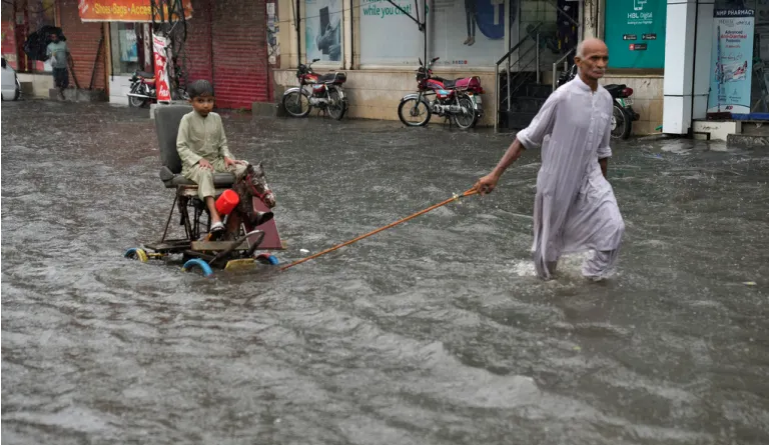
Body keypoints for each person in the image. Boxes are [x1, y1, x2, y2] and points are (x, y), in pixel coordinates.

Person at [473, 38, 625, 281]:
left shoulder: (606, 99)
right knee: (549, 244)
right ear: (578, 62)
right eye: (594, 58)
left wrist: (603, 189)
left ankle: (592, 281)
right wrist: (495, 174)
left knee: (613, 227)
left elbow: (603, 150)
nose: (601, 64)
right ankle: (547, 288)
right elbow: (526, 138)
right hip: (557, 177)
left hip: (591, 175)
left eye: (604, 58)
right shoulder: (561, 97)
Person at [176, 79, 260, 234]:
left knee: (244, 167)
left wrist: (227, 157)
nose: (206, 105)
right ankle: (215, 218)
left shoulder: (216, 118)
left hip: (216, 161)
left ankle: (251, 210)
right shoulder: (187, 120)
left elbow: (222, 143)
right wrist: (198, 159)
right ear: (191, 102)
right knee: (205, 172)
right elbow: (181, 146)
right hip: (193, 166)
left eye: (209, 101)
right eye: (200, 101)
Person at [46, 32, 70, 100]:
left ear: (58, 37)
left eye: (55, 37)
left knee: (66, 83)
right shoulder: (49, 46)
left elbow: (68, 53)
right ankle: (60, 93)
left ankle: (61, 91)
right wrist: (52, 56)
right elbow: (48, 56)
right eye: (53, 37)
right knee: (58, 82)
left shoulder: (63, 44)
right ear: (51, 38)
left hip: (64, 67)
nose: (54, 38)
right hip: (56, 67)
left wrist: (70, 62)